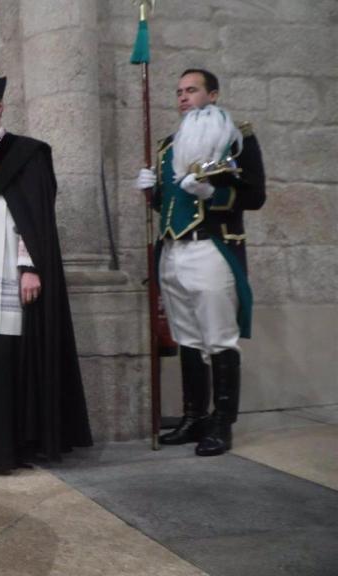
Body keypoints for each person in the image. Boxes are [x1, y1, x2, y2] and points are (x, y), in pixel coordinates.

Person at [0, 70, 93, 472]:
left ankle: (3, 450)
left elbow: (34, 217)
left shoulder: (26, 155)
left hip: (7, 274)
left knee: (2, 360)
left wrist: (30, 266)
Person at [134, 68, 266, 456]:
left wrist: (213, 191)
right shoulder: (167, 146)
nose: (183, 97)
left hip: (212, 246)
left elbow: (255, 195)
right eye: (178, 92)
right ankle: (194, 418)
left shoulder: (237, 137)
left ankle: (222, 424)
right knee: (188, 335)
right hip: (174, 249)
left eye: (191, 90)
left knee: (218, 336)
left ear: (213, 94)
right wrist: (153, 191)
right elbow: (170, 203)